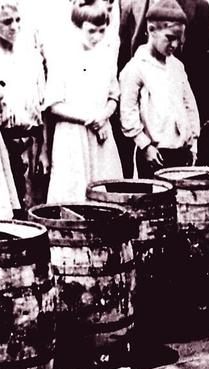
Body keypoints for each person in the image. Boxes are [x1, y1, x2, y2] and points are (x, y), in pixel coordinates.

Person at [119, 0, 209, 167]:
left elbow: (189, 104)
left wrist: (194, 142)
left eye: (179, 40)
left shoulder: (177, 66)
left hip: (181, 149)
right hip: (154, 152)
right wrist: (145, 145)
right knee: (154, 192)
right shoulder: (136, 67)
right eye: (169, 38)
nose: (175, 45)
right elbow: (127, 111)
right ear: (151, 30)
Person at [45, 0, 123, 204]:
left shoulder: (106, 56)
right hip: (73, 135)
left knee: (105, 192)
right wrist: (91, 118)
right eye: (91, 31)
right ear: (77, 27)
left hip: (101, 136)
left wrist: (104, 115)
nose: (97, 37)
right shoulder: (62, 57)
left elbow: (114, 95)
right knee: (74, 193)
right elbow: (53, 106)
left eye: (102, 31)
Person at [0, 0, 47, 214]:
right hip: (5, 138)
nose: (14, 26)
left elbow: (42, 104)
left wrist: (43, 146)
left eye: (18, 20)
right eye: (7, 21)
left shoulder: (32, 57)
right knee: (12, 200)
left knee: (35, 202)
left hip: (31, 137)